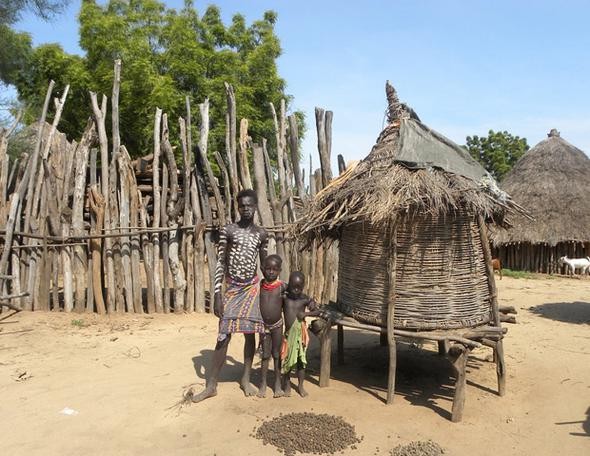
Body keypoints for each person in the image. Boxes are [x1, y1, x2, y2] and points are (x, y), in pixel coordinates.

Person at [190, 189, 268, 403]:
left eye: (249, 205)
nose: (246, 209)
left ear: (255, 206)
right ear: (237, 207)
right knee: (223, 335)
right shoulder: (228, 230)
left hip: (252, 289)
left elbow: (266, 264)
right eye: (242, 205)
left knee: (250, 334)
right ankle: (211, 384)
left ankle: (245, 378)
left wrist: (270, 291)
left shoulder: (261, 234)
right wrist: (217, 294)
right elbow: (220, 262)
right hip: (232, 289)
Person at [281, 271, 320, 398]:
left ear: (303, 286)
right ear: (289, 285)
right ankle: (287, 385)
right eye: (293, 287)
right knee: (287, 361)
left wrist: (306, 314)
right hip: (287, 335)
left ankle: (300, 385)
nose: (296, 290)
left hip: (299, 336)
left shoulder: (305, 299)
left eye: (299, 287)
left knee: (300, 362)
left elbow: (318, 311)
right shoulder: (285, 298)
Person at [257, 254, 287, 398]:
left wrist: (310, 302)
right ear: (262, 269)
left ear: (279, 270)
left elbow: (296, 295)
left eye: (274, 269)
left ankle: (277, 384)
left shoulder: (282, 287)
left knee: (276, 354)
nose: (271, 272)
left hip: (277, 325)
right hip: (263, 326)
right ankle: (262, 384)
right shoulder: (260, 286)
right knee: (265, 355)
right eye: (268, 268)